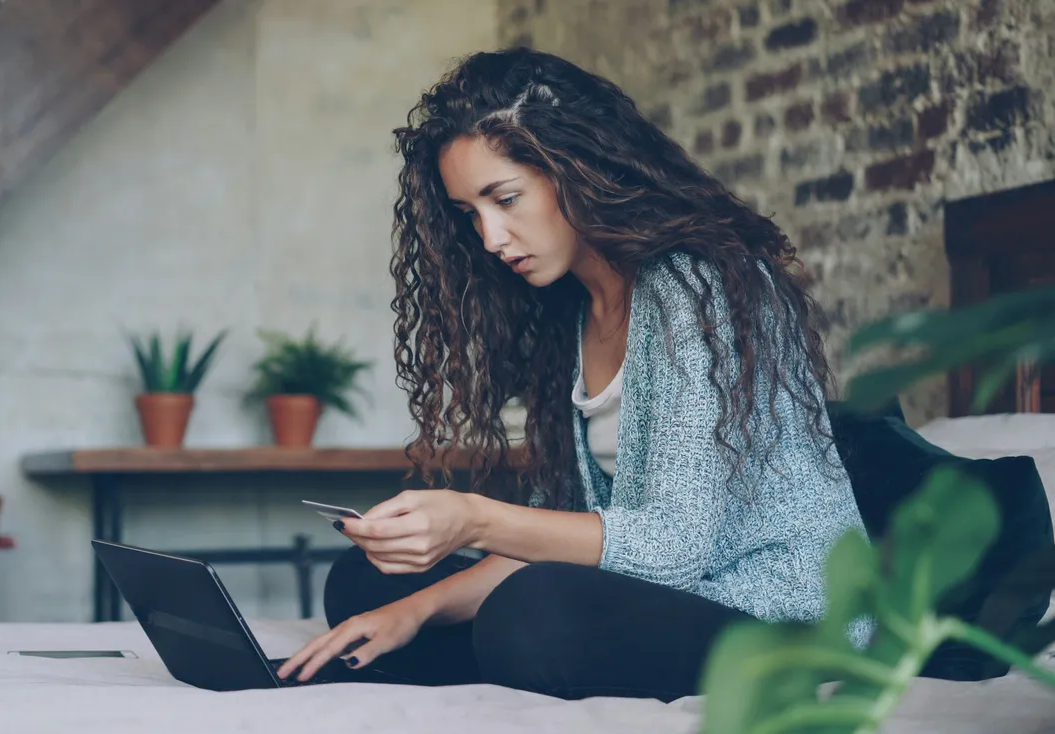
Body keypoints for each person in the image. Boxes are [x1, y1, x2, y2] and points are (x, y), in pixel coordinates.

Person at [276, 47, 870, 702]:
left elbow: (673, 549)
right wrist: (415, 610)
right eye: (471, 214)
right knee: (364, 588)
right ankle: (450, 639)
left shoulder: (699, 287)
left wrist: (472, 519)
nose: (492, 238)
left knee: (533, 615)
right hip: (654, 598)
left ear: (577, 169)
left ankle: (502, 649)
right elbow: (573, 533)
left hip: (781, 616)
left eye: (505, 199)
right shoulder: (572, 312)